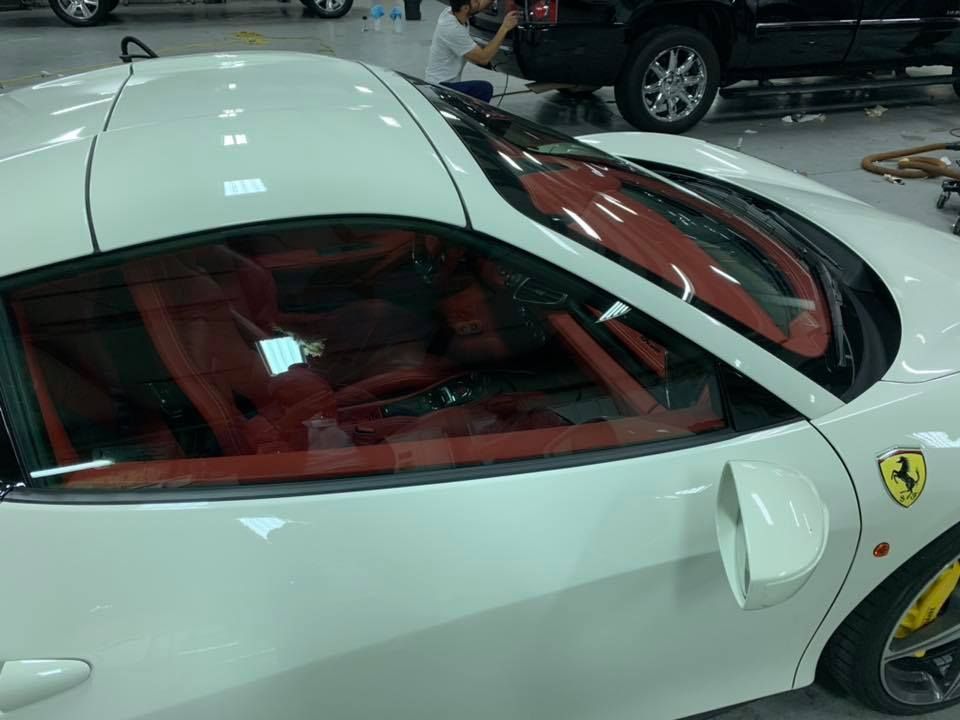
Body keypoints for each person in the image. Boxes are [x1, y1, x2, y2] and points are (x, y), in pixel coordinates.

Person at [425, 0, 520, 103]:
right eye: (475, 1)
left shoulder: (455, 11)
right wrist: (505, 27)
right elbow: (483, 58)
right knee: (483, 89)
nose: (479, 2)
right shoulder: (452, 29)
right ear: (465, 8)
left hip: (444, 82)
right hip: (440, 88)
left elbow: (480, 5)